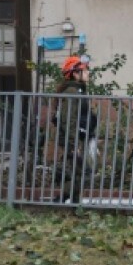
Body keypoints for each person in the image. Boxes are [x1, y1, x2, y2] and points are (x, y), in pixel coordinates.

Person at [52, 55, 98, 204]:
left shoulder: (77, 90)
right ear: (75, 73)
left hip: (78, 137)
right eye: (84, 70)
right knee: (80, 171)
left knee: (78, 171)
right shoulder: (72, 92)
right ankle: (67, 200)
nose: (88, 73)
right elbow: (68, 119)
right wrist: (73, 143)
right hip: (73, 138)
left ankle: (71, 201)